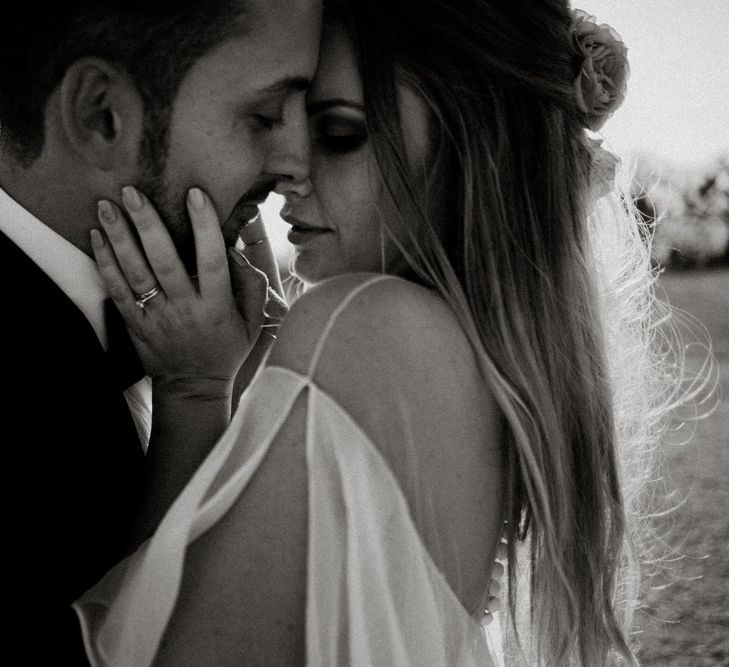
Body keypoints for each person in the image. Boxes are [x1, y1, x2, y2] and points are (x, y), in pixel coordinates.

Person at [75, 0, 669, 664]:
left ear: (472, 143)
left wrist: (193, 391)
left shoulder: (367, 325)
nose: (286, 172)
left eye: (337, 133)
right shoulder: (473, 358)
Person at [0, 1, 320, 662]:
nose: (298, 163)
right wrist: (197, 395)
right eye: (263, 117)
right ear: (101, 116)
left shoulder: (184, 318)